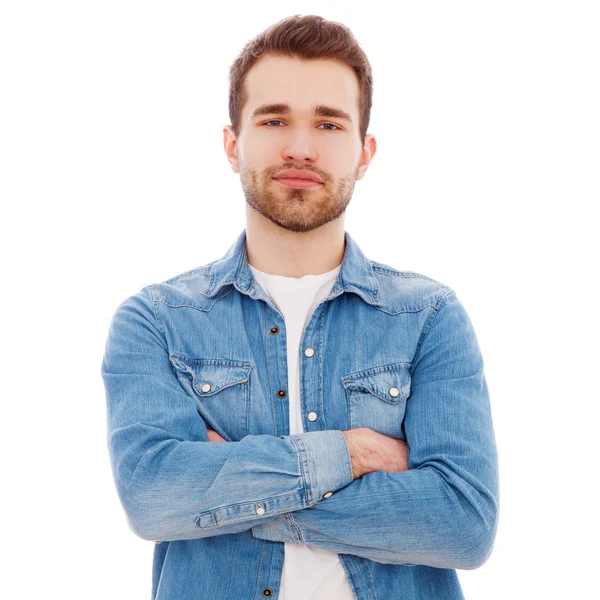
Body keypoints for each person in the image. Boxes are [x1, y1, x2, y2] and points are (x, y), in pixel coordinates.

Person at [101, 14, 499, 600]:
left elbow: (463, 525)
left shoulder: (428, 318)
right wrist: (354, 453)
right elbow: (153, 498)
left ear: (364, 153)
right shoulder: (155, 321)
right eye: (274, 118)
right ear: (233, 144)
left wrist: (225, 490)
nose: (300, 147)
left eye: (329, 124)